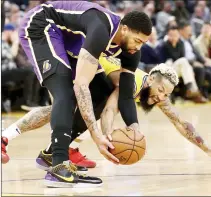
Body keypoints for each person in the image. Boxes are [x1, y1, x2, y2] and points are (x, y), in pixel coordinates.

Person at [18, 1, 152, 187]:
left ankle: (51, 154)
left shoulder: (131, 52)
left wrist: (134, 128)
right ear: (125, 29)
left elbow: (126, 95)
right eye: (137, 41)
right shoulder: (101, 28)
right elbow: (81, 85)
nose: (138, 47)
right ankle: (58, 167)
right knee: (64, 90)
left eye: (143, 43)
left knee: (103, 92)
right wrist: (96, 135)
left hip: (69, 42)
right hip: (42, 24)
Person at [3, 60, 211, 171]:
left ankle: (63, 149)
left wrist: (208, 150)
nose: (160, 98)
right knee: (61, 110)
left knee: (86, 114)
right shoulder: (135, 80)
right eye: (160, 92)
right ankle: (6, 137)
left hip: (92, 81)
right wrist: (106, 138)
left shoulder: (151, 91)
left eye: (165, 95)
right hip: (75, 64)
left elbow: (179, 121)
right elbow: (110, 110)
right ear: (151, 79)